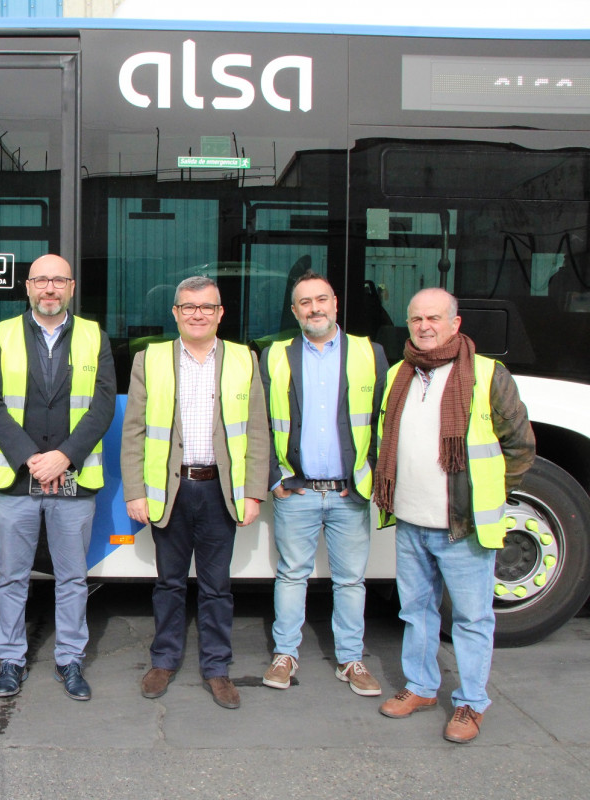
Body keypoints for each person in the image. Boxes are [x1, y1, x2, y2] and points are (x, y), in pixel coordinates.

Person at [374, 288, 534, 743]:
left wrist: (490, 495)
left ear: (455, 323)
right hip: (409, 520)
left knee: (470, 618)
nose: (425, 326)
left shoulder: (486, 375)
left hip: (461, 526)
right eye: (417, 319)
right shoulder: (399, 374)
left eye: (435, 318)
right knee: (417, 612)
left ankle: (470, 704)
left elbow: (520, 447)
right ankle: (422, 687)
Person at [120, 275, 269, 709]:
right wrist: (136, 491)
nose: (198, 314)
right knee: (168, 583)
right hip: (171, 491)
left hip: (221, 491)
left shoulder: (244, 359)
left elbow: (257, 431)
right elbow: (134, 432)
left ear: (221, 313)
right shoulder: (151, 360)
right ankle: (164, 660)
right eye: (189, 307)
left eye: (206, 307)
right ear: (176, 313)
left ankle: (217, 668)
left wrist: (254, 492)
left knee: (217, 586)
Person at [0, 253, 115, 701]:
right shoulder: (2, 335)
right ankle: (11, 660)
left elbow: (103, 405)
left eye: (58, 280)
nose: (49, 288)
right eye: (41, 280)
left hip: (71, 479)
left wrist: (65, 457)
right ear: (28, 287)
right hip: (18, 477)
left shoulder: (95, 336)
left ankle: (70, 659)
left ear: (71, 287)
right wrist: (32, 458)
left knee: (73, 577)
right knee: (12, 577)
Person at [259, 271, 388, 696]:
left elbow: (384, 423)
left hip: (349, 493)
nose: (314, 308)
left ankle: (351, 661)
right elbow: (260, 424)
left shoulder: (371, 354)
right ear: (294, 311)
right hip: (296, 491)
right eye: (304, 302)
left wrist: (366, 474)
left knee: (350, 581)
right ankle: (285, 656)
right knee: (291, 575)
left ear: (335, 303)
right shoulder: (274, 356)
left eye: (322, 300)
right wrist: (275, 478)